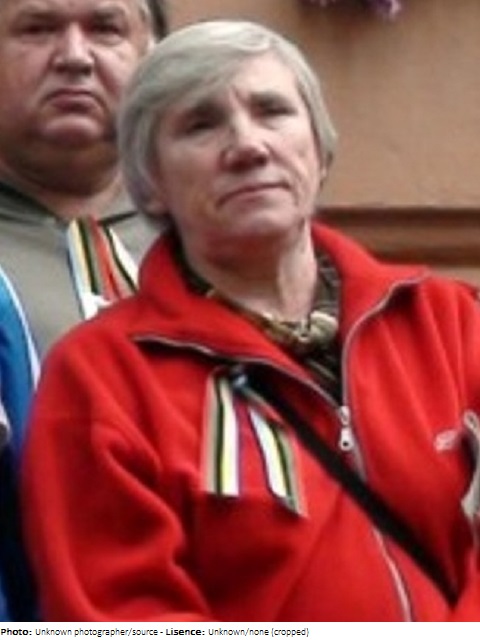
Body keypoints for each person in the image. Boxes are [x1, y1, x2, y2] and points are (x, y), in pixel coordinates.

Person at [21, 19, 480, 621]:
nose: (248, 146)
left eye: (272, 111)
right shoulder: (101, 378)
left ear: (319, 151)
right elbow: (119, 615)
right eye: (201, 125)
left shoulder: (448, 322)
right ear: (151, 187)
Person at [0, 0, 168, 621]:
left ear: (155, 59)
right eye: (37, 28)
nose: (74, 56)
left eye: (105, 28)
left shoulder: (227, 245)